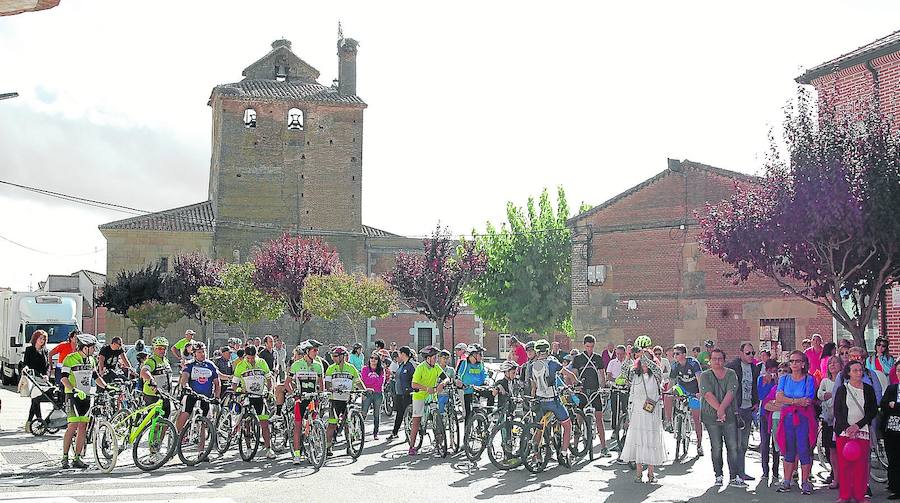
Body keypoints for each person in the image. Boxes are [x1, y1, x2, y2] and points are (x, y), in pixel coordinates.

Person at [61, 334, 113, 468]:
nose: (95, 350)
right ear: (85, 348)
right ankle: (65, 457)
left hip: (86, 396)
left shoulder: (91, 360)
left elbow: (95, 377)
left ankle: (77, 458)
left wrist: (107, 387)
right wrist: (73, 390)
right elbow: (64, 379)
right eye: (93, 348)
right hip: (73, 396)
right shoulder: (70, 359)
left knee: (83, 427)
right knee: (72, 426)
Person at [620, 348, 667, 483]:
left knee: (651, 441)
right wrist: (630, 355)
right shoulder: (635, 376)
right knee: (639, 442)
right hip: (638, 414)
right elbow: (624, 369)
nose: (645, 365)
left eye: (647, 362)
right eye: (642, 362)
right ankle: (639, 473)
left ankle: (651, 474)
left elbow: (656, 368)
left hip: (651, 414)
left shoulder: (657, 375)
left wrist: (645, 356)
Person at [834, 360, 877, 503]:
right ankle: (844, 495)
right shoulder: (842, 389)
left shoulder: (868, 389)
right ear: (848, 373)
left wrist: (858, 426)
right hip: (844, 432)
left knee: (861, 465)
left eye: (860, 370)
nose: (859, 373)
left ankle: (860, 495)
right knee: (844, 465)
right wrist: (847, 427)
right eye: (855, 370)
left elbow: (872, 411)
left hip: (862, 431)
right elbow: (838, 411)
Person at [699, 348, 743, 488]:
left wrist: (722, 410)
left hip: (729, 415)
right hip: (710, 416)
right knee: (716, 446)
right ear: (710, 361)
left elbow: (731, 392)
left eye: (720, 358)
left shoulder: (731, 374)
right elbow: (707, 394)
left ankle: (734, 475)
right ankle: (718, 475)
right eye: (714, 359)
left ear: (724, 360)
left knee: (732, 446)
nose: (717, 361)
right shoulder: (705, 375)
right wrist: (719, 410)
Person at [774, 350, 816, 495]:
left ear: (803, 363)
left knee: (804, 449)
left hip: (804, 418)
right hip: (788, 418)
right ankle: (787, 481)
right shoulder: (784, 379)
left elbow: (808, 400)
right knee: (788, 449)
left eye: (797, 361)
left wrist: (789, 400)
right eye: (791, 361)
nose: (794, 364)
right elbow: (778, 397)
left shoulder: (809, 379)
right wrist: (796, 401)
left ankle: (805, 481)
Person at [527, 339, 573, 466]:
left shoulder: (532, 366)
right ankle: (563, 452)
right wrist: (576, 381)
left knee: (539, 428)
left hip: (540, 400)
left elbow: (533, 386)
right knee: (567, 426)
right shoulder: (552, 363)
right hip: (553, 401)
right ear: (547, 350)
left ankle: (536, 455)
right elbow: (567, 373)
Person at [175, 342, 221, 450]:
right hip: (192, 395)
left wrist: (217, 397)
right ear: (194, 354)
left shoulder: (210, 365)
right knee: (185, 414)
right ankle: (176, 438)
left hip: (206, 397)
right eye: (199, 352)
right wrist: (186, 386)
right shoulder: (190, 365)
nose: (202, 354)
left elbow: (217, 382)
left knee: (204, 423)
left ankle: (201, 450)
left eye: (203, 352)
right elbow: (185, 377)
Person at [233, 345, 276, 459]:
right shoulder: (240, 365)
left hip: (259, 396)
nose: (251, 360)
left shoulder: (262, 362)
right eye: (249, 358)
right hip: (246, 395)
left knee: (264, 424)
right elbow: (235, 383)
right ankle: (248, 448)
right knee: (247, 423)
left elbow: (268, 379)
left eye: (253, 357)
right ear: (245, 356)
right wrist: (237, 391)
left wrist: (269, 390)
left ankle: (268, 449)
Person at [285, 340, 324, 464]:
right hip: (300, 398)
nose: (316, 352)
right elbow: (287, 382)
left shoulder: (318, 365)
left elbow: (321, 383)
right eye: (314, 350)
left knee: (314, 421)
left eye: (317, 350)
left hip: (313, 398)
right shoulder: (296, 365)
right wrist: (293, 394)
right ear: (307, 351)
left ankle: (312, 445)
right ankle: (297, 455)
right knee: (297, 426)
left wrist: (322, 393)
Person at [726, 342, 759, 482]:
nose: (751, 356)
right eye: (748, 353)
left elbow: (755, 385)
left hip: (748, 408)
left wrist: (756, 401)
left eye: (753, 353)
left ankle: (742, 472)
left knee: (744, 443)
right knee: (734, 444)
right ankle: (734, 474)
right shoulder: (732, 367)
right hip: (735, 409)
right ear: (740, 353)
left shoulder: (754, 368)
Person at [571, 334, 610, 455]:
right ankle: (576, 446)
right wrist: (576, 385)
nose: (589, 349)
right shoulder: (578, 359)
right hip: (582, 391)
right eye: (587, 346)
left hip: (595, 390)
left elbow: (602, 374)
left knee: (599, 418)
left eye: (592, 347)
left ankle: (604, 447)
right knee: (579, 418)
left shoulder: (597, 358)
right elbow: (574, 374)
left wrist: (603, 387)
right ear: (584, 345)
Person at [324, 346, 366, 456]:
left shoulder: (351, 368)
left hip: (348, 399)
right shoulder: (330, 368)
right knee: (332, 424)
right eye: (332, 356)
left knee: (348, 423)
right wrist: (330, 388)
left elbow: (358, 382)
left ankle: (350, 445)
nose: (333, 358)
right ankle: (328, 446)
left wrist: (365, 390)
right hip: (335, 399)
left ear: (343, 356)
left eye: (336, 356)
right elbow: (327, 384)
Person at [407, 345, 447, 455]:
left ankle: (439, 443)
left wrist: (442, 384)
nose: (436, 359)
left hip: (432, 396)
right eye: (434, 357)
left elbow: (446, 377)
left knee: (437, 419)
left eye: (436, 357)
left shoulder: (436, 367)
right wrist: (426, 388)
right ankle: (412, 446)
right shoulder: (420, 368)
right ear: (428, 358)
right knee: (416, 421)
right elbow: (413, 384)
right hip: (420, 396)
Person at [670, 343, 704, 456]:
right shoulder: (675, 365)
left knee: (696, 419)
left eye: (677, 353)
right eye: (674, 353)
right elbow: (671, 382)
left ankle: (699, 445)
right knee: (671, 392)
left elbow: (700, 379)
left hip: (694, 391)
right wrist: (669, 391)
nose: (675, 356)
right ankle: (669, 421)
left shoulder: (693, 363)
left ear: (684, 354)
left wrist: (700, 393)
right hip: (683, 389)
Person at [818, 354, 843, 489]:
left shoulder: (845, 380)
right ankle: (835, 476)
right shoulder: (825, 381)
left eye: (835, 362)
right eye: (830, 363)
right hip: (828, 419)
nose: (832, 365)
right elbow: (820, 394)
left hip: (841, 420)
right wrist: (824, 395)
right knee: (831, 449)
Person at [758, 359, 783, 481]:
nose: (773, 373)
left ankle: (775, 471)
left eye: (775, 371)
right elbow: (762, 396)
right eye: (770, 371)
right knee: (764, 443)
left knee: (776, 444)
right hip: (764, 414)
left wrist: (777, 381)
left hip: (776, 415)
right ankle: (765, 470)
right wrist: (766, 382)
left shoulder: (779, 381)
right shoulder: (761, 379)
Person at [880, 361, 900, 499]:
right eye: (898, 370)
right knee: (893, 458)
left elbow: (893, 406)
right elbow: (883, 404)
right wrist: (891, 406)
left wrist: (896, 406)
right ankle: (894, 486)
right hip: (891, 429)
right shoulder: (892, 388)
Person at [23, 330, 50, 433]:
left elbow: (47, 366)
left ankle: (31, 422)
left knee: (35, 399)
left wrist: (46, 376)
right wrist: (25, 368)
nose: (42, 341)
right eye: (40, 338)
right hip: (32, 377)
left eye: (44, 339)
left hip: (42, 379)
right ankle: (39, 421)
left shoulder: (45, 351)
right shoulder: (29, 350)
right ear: (35, 339)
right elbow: (26, 363)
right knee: (36, 398)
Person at [141, 337, 174, 419]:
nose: (162, 350)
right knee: (156, 422)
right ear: (154, 349)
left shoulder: (166, 361)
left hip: (165, 395)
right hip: (153, 395)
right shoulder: (151, 361)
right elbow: (144, 371)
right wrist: (151, 380)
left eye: (164, 348)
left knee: (167, 420)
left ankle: (163, 432)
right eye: (159, 348)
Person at [458, 344, 492, 419]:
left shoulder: (481, 364)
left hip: (479, 389)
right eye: (480, 354)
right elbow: (459, 375)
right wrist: (461, 384)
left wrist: (486, 380)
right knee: (468, 413)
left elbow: (484, 374)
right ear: (473, 354)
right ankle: (467, 429)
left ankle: (489, 415)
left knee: (492, 393)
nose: (482, 356)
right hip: (468, 390)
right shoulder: (464, 363)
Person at [360, 351, 387, 439]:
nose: (373, 360)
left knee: (376, 414)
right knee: (363, 413)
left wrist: (371, 383)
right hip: (367, 393)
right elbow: (364, 381)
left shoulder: (381, 370)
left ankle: (376, 433)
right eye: (371, 358)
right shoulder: (365, 369)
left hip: (378, 394)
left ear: (378, 360)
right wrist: (372, 383)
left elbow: (381, 382)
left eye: (375, 358)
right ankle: (359, 432)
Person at [654, 345, 673, 431]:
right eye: (656, 354)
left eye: (659, 354)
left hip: (664, 383)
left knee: (666, 402)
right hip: (655, 384)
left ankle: (667, 421)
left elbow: (669, 372)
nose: (658, 355)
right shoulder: (652, 361)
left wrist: (661, 375)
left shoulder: (664, 361)